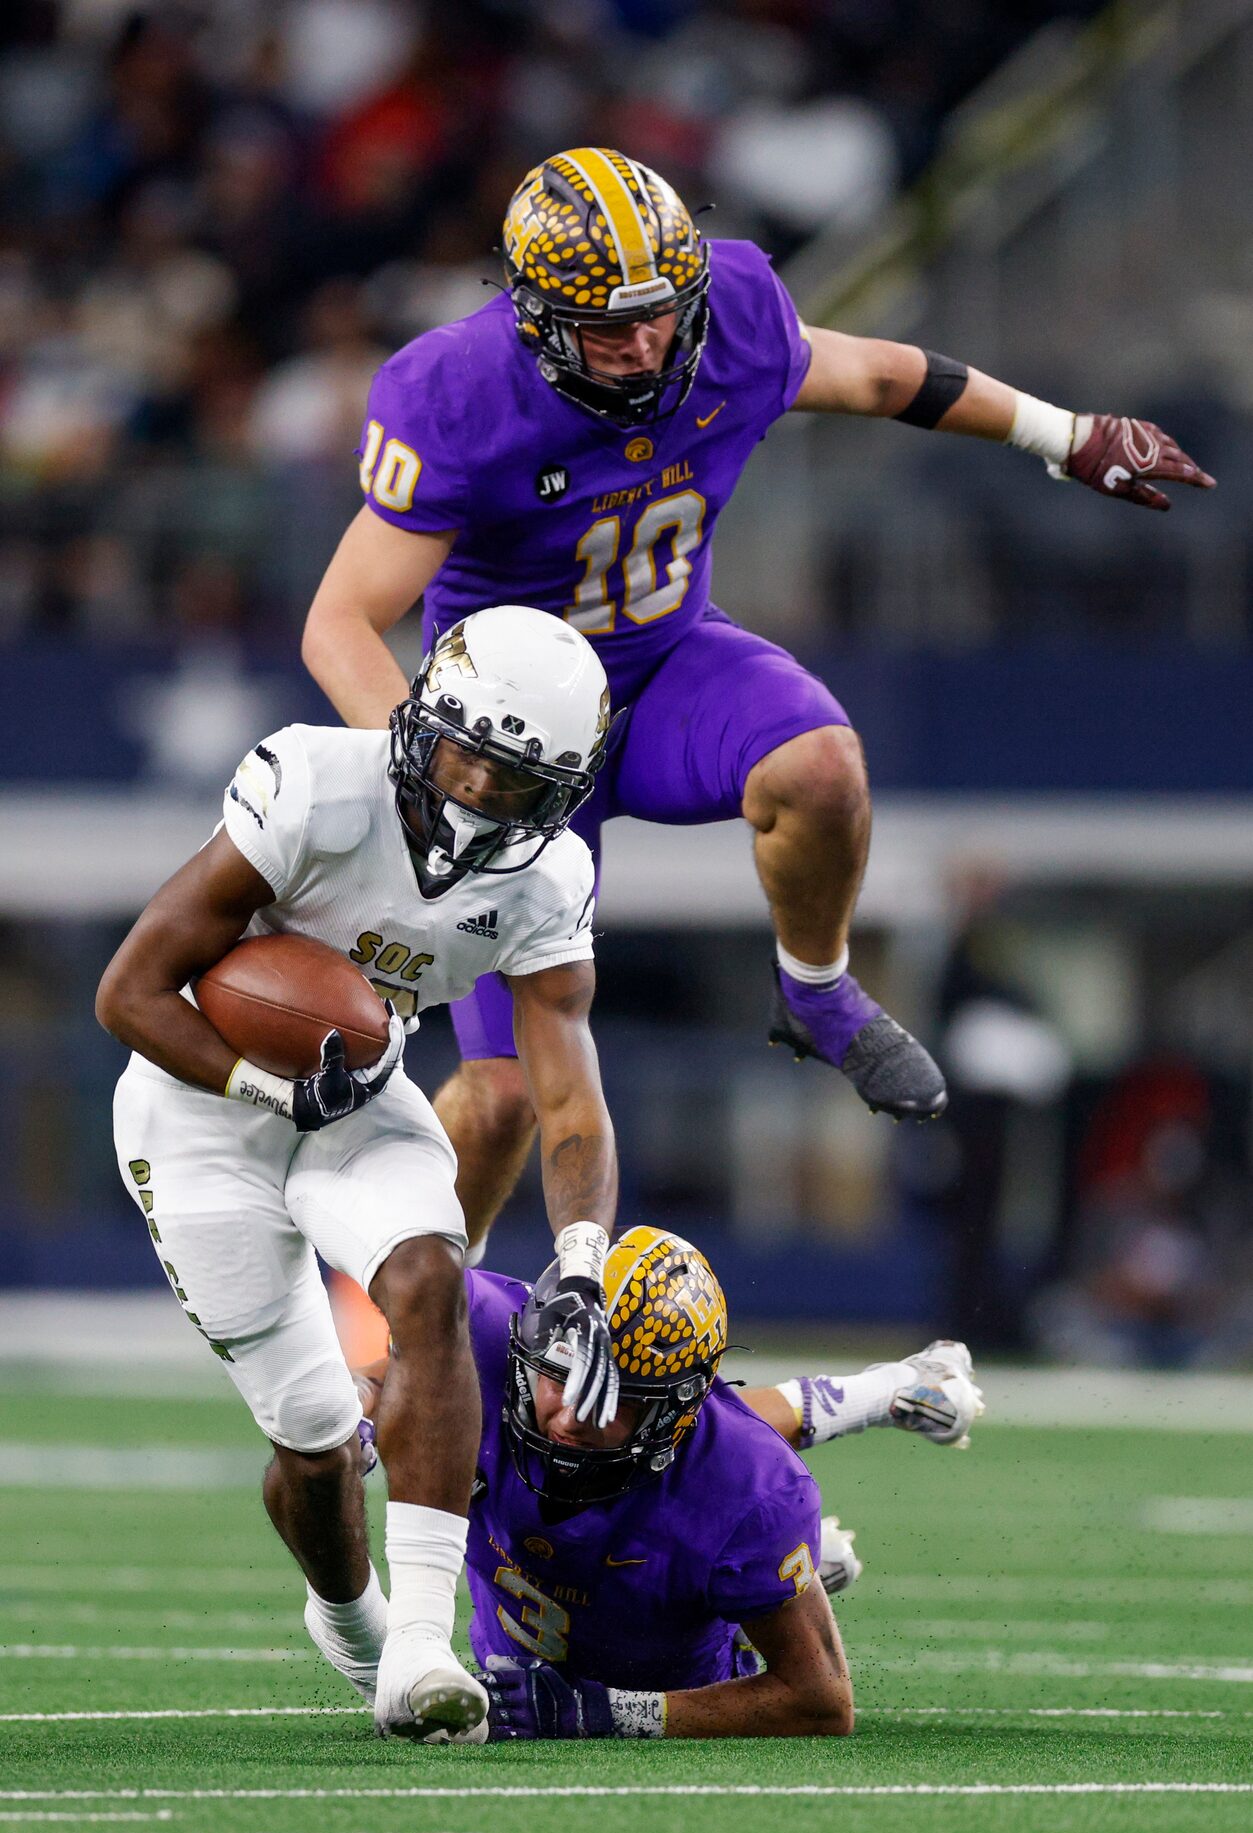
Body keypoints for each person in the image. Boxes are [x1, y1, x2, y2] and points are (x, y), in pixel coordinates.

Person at [300, 146, 1215, 1260]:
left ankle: (818, 993)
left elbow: (883, 378)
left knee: (820, 768)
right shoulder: (458, 392)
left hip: (667, 667)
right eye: (606, 325)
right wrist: (424, 785)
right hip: (513, 749)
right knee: (496, 1099)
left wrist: (1065, 436)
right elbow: (339, 622)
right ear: (534, 319)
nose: (642, 344)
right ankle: (409, 1342)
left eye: (658, 314)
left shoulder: (730, 315)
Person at [96, 604, 628, 1747]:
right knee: (316, 1447)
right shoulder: (315, 786)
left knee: (429, 1279)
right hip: (200, 1109)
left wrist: (581, 1262)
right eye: (466, 758)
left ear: (566, 790)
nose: (481, 795)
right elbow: (128, 993)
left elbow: (566, 1093)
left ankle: (427, 1649)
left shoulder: (549, 879)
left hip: (359, 1097)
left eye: (517, 782)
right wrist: (269, 1088)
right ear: (419, 722)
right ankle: (349, 1620)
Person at [349, 1226, 984, 1740]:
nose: (568, 1414)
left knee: (731, 1476)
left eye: (612, 1395)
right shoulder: (484, 1334)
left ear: (674, 1407)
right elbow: (379, 1381)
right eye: (556, 1375)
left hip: (672, 1629)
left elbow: (821, 1702)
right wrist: (351, 1411)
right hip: (623, 1551)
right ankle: (889, 1393)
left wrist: (599, 1713)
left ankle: (773, 1567)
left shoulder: (745, 1487)